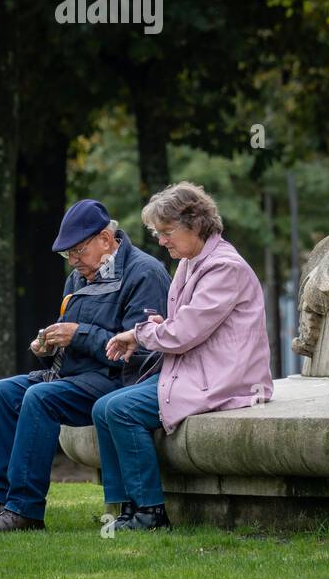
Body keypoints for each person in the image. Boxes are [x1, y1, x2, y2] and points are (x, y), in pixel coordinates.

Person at [0, 198, 170, 533]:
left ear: (105, 239)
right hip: (76, 376)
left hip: (119, 381)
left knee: (42, 398)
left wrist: (78, 334)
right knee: (2, 392)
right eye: (66, 254)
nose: (73, 261)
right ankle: (1, 503)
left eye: (78, 251)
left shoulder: (145, 273)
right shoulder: (79, 278)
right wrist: (47, 345)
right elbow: (70, 338)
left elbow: (140, 352)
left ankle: (24, 511)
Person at [95, 181, 273, 532]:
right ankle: (126, 507)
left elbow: (185, 333)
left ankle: (150, 513)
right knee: (103, 406)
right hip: (195, 369)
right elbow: (188, 325)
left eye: (166, 232)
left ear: (195, 224)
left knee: (119, 409)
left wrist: (141, 333)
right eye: (158, 233)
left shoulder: (224, 267)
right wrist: (161, 327)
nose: (161, 241)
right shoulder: (194, 262)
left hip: (223, 378)